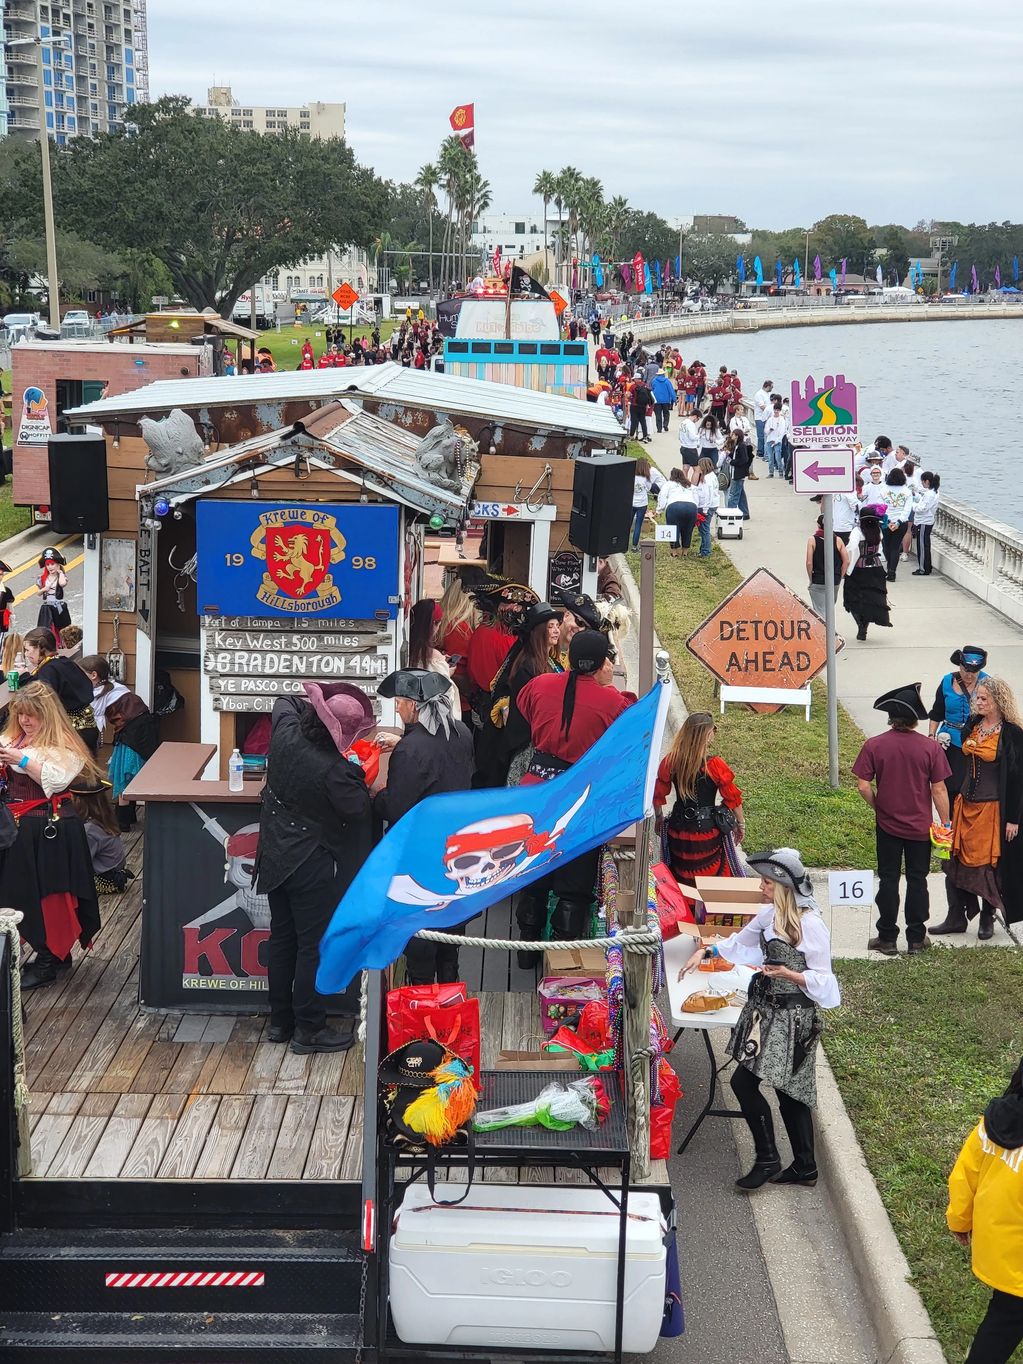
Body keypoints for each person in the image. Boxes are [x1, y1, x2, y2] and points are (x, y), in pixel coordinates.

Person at [682, 848, 839, 1189]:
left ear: (783, 887)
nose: (760, 888)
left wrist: (791, 975)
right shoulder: (768, 917)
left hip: (795, 1018)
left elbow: (826, 983)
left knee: (774, 1087)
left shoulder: (811, 926)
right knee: (773, 1087)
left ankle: (781, 1162)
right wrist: (705, 950)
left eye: (767, 883)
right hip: (766, 1012)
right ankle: (797, 1165)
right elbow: (740, 945)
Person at [255, 682, 377, 1053]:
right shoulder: (335, 771)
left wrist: (320, 701)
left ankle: (280, 1021)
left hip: (274, 853)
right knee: (311, 946)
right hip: (309, 861)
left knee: (282, 938)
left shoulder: (285, 732)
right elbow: (359, 809)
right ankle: (308, 1028)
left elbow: (282, 701)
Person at [513, 631, 635, 962]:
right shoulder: (612, 702)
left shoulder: (539, 686)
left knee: (533, 868)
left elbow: (525, 706)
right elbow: (629, 729)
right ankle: (563, 956)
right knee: (575, 880)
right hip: (581, 797)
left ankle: (526, 945)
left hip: (536, 789)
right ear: (600, 664)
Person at [374, 669, 475, 985]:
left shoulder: (410, 749)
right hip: (458, 847)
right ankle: (450, 992)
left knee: (420, 932)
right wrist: (404, 740)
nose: (399, 708)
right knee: (451, 930)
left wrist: (372, 796)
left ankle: (421, 996)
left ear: (414, 707)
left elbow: (397, 807)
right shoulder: (462, 733)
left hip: (421, 852)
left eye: (401, 702)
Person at [0, 683, 103, 989]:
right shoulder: (12, 738)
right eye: (21, 714)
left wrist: (19, 759)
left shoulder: (64, 746)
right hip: (18, 828)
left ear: (48, 715)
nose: (25, 721)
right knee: (20, 892)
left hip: (49, 830)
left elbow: (57, 779)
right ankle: (52, 955)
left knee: (49, 895)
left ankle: (49, 958)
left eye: (32, 715)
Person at [852, 684, 951, 955]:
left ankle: (887, 938)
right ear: (915, 719)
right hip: (920, 827)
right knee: (918, 880)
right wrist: (945, 823)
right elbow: (939, 789)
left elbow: (862, 785)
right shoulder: (930, 748)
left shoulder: (874, 745)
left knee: (888, 880)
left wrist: (878, 807)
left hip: (888, 826)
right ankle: (917, 939)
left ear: (891, 718)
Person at [947, 1058, 1023, 1364]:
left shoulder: (994, 1121)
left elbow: (966, 1175)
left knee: (999, 1325)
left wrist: (959, 1220)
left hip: (1004, 1259)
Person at [942, 677, 1023, 940]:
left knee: (989, 864)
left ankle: (988, 916)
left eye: (984, 698)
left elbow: (1018, 779)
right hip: (965, 803)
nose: (978, 701)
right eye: (977, 697)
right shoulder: (973, 725)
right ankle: (957, 915)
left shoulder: (1012, 733)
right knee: (956, 858)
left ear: (998, 701)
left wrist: (1013, 819)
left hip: (992, 807)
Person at [478, 602, 562, 787]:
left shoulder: (550, 662)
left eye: (557, 626)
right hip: (529, 742)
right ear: (539, 631)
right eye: (551, 626)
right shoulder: (528, 666)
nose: (556, 631)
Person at [653, 712, 745, 882]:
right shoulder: (714, 765)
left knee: (680, 878)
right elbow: (733, 798)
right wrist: (740, 825)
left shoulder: (670, 762)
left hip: (678, 829)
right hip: (707, 832)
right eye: (713, 730)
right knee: (710, 878)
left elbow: (658, 794)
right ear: (707, 735)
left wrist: (659, 818)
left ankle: (686, 907)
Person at [19, 627, 98, 753]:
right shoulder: (64, 662)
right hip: (89, 727)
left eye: (28, 650)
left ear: (40, 648)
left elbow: (37, 695)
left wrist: (22, 677)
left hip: (72, 734)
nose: (26, 654)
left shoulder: (48, 670)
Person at [72, 777, 131, 895]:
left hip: (105, 879)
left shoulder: (90, 830)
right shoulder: (104, 820)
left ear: (80, 802)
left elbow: (82, 862)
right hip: (115, 872)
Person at [843, 513, 892, 641]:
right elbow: (880, 550)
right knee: (872, 599)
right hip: (876, 569)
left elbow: (853, 549)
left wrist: (848, 568)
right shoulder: (878, 531)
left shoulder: (857, 531)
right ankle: (864, 625)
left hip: (859, 570)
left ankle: (861, 624)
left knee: (853, 598)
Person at [407, 599, 460, 715]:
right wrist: (448, 671)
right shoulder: (433, 656)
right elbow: (444, 697)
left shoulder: (408, 649)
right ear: (434, 624)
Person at [805, 514, 850, 621]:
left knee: (820, 611)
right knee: (829, 609)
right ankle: (830, 632)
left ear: (818, 525)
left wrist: (811, 578)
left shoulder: (812, 540)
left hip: (818, 579)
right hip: (834, 580)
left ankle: (825, 634)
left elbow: (809, 562)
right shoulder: (838, 540)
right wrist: (840, 576)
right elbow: (846, 561)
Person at [657, 467, 699, 558]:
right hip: (691, 507)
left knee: (673, 529)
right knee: (688, 530)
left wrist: (659, 510)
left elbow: (662, 496)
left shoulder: (668, 484)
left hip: (674, 507)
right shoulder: (689, 485)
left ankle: (674, 552)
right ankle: (685, 552)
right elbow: (696, 497)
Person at [880, 469, 913, 581]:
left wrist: (888, 522)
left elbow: (881, 507)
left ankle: (889, 567)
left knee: (886, 545)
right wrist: (898, 522)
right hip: (901, 523)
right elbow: (907, 509)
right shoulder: (907, 491)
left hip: (886, 522)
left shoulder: (883, 490)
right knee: (895, 547)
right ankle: (892, 571)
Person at [35, 548, 70, 641]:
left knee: (61, 629)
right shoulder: (42, 578)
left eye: (52, 564)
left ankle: (61, 647)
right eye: (47, 564)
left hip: (59, 607)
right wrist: (44, 589)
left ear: (58, 564)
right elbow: (38, 593)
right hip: (47, 607)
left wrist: (60, 572)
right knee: (47, 630)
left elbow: (62, 584)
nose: (50, 567)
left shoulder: (61, 577)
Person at [631, 457, 665, 548]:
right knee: (638, 525)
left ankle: (622, 544)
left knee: (628, 524)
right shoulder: (646, 478)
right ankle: (634, 546)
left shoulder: (631, 476)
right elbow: (649, 488)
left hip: (632, 502)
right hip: (642, 504)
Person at [690, 457, 720, 557]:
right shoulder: (711, 475)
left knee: (704, 529)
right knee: (703, 528)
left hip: (707, 506)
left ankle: (706, 551)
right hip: (712, 504)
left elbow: (708, 495)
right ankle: (703, 549)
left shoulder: (707, 479)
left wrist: (705, 509)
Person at [912, 472, 940, 575]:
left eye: (922, 482)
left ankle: (923, 568)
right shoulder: (934, 492)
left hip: (923, 521)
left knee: (922, 546)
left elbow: (923, 508)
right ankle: (926, 566)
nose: (922, 484)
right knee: (925, 544)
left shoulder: (930, 494)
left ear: (926, 481)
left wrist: (913, 505)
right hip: (927, 521)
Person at [725, 429, 754, 521]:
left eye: (733, 434)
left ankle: (730, 514)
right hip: (735, 472)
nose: (731, 436)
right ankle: (745, 513)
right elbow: (735, 456)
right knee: (741, 494)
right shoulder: (736, 446)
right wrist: (729, 455)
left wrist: (732, 462)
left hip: (738, 473)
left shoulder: (741, 446)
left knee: (733, 495)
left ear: (737, 436)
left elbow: (744, 459)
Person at [763, 403, 787, 479]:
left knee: (778, 457)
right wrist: (769, 430)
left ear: (780, 411)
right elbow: (766, 430)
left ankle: (780, 472)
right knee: (770, 458)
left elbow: (782, 431)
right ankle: (771, 472)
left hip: (777, 441)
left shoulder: (782, 420)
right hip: (769, 440)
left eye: (778, 410)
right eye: (775, 410)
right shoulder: (770, 419)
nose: (776, 411)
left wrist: (777, 441)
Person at [629, 373, 653, 443]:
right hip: (643, 406)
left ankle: (631, 436)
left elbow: (628, 395)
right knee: (643, 421)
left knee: (633, 421)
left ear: (636, 379)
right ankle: (645, 436)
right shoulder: (645, 386)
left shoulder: (633, 386)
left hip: (634, 406)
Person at [650, 368, 676, 433]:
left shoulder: (654, 381)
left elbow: (652, 390)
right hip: (666, 400)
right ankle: (665, 424)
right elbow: (671, 391)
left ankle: (659, 428)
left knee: (658, 414)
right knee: (666, 414)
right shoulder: (667, 381)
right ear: (663, 374)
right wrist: (674, 399)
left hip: (657, 400)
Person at [752, 380, 774, 457]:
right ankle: (760, 452)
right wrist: (771, 411)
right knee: (761, 436)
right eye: (771, 387)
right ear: (767, 386)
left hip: (767, 418)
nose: (772, 388)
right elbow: (762, 406)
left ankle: (766, 452)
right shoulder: (759, 394)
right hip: (760, 418)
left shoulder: (768, 394)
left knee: (767, 435)